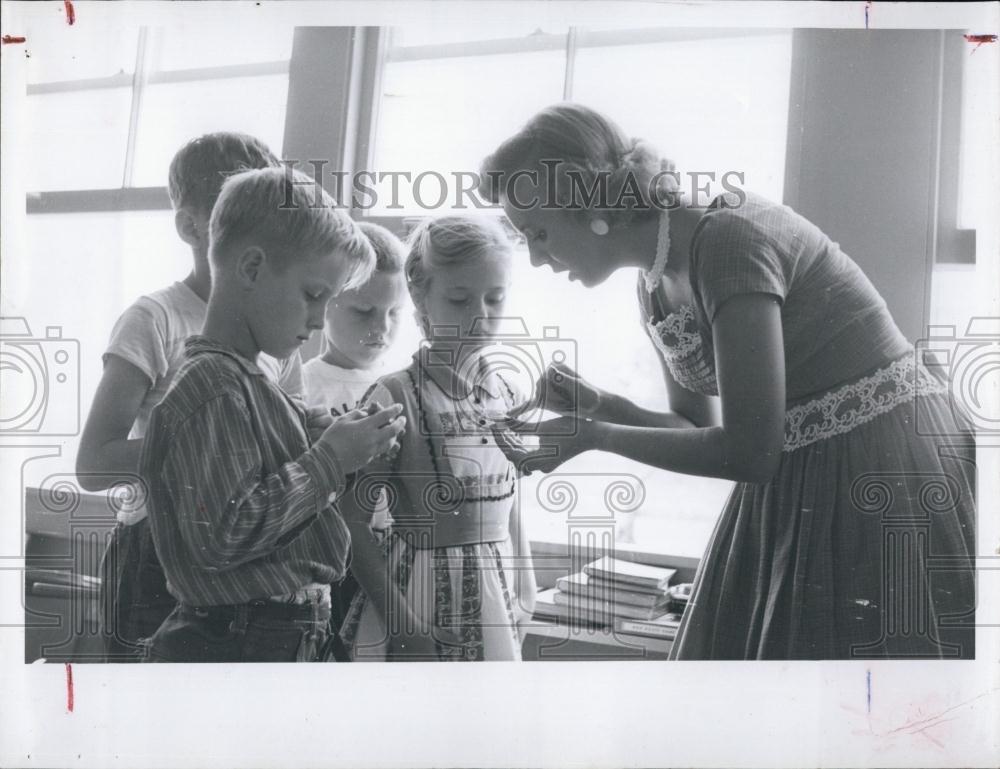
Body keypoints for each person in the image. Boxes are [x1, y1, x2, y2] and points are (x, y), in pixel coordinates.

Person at [479, 103, 976, 660]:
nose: (538, 258)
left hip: (880, 455)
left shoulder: (728, 243)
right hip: (799, 463)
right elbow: (695, 426)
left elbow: (749, 452)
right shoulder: (652, 283)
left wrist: (595, 435)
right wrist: (605, 404)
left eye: (539, 233)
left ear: (588, 204)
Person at [137, 167, 407, 662]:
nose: (321, 319)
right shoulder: (214, 384)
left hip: (273, 629)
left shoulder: (249, 376)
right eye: (313, 294)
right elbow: (223, 535)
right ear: (252, 268)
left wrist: (313, 439)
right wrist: (326, 461)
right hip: (240, 636)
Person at [77, 133, 304, 661]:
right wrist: (216, 443)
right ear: (190, 225)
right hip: (155, 549)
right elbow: (94, 463)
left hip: (246, 552)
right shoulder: (154, 319)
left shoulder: (281, 329)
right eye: (238, 218)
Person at [338, 216, 538, 661]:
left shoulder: (508, 394)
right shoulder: (396, 395)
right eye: (460, 300)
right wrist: (403, 623)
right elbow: (352, 521)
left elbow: (511, 501)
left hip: (496, 592)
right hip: (419, 595)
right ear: (422, 300)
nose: (480, 316)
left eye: (494, 298)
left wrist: (527, 585)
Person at [301, 221, 409, 647]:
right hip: (326, 561)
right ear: (327, 302)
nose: (381, 328)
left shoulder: (401, 385)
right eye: (364, 311)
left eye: (395, 313)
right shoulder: (304, 385)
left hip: (389, 562)